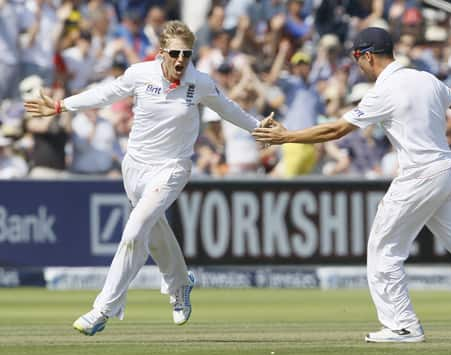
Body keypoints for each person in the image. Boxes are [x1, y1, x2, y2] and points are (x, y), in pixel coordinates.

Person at [253, 27, 451, 343]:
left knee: (383, 250)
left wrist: (286, 137)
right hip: (448, 170)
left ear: (367, 57)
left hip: (420, 175)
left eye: (356, 59)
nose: (357, 66)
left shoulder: (384, 91)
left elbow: (336, 131)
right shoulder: (426, 78)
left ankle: (402, 326)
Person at [24, 20, 271, 336]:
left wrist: (258, 128)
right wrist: (61, 105)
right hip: (135, 168)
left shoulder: (200, 82)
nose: (181, 60)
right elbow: (105, 93)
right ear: (162, 52)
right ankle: (180, 283)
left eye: (187, 54)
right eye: (175, 53)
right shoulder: (141, 74)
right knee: (154, 230)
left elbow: (228, 109)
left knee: (135, 229)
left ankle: (103, 308)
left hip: (172, 168)